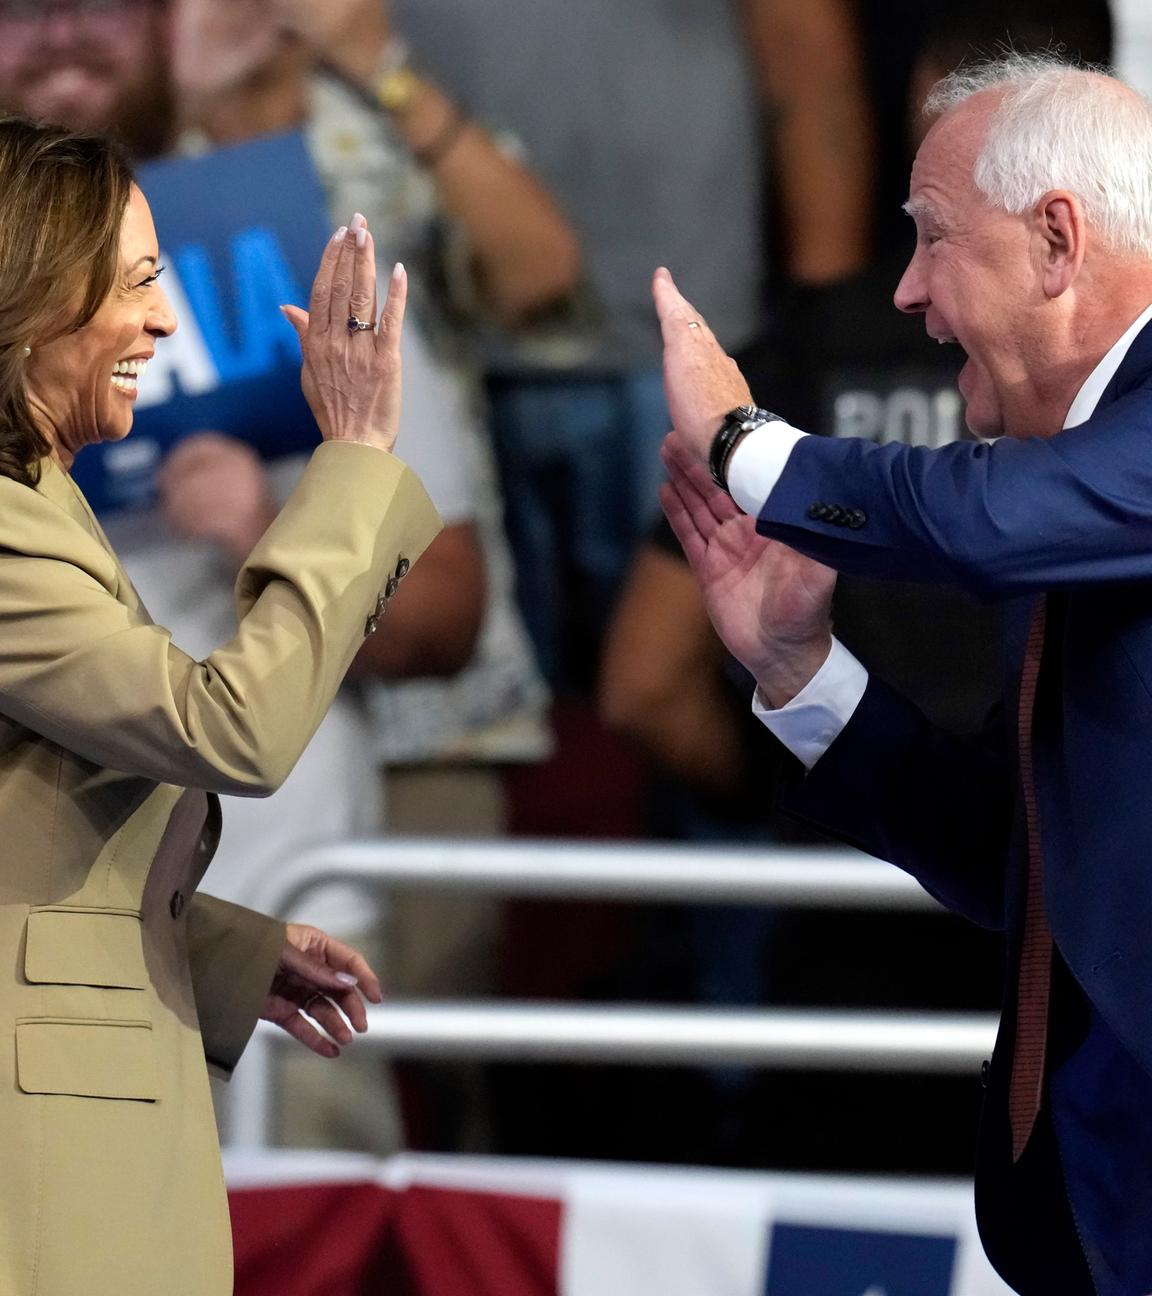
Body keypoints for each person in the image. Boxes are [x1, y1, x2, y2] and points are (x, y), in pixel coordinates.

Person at [657, 54, 1152, 1296]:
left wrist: (744, 443)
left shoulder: (1046, 494)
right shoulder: (1068, 484)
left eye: (933, 240)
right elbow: (1018, 855)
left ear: (1056, 240)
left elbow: (971, 525)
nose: (910, 293)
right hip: (1086, 1209)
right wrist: (800, 669)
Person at [0, 118, 440, 1295]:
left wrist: (215, 949)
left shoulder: (36, 502)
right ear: (30, 295)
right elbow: (228, 730)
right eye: (137, 283)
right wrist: (350, 454)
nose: (164, 322)